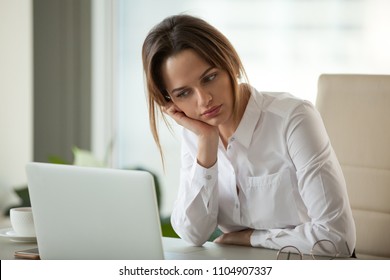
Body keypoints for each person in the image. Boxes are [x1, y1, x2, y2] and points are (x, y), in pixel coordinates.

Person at [142, 14, 356, 257]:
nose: (203, 100)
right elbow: (193, 234)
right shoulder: (197, 133)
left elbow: (337, 239)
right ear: (169, 100)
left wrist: (251, 238)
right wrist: (206, 142)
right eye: (183, 93)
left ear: (230, 63)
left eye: (210, 77)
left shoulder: (293, 118)